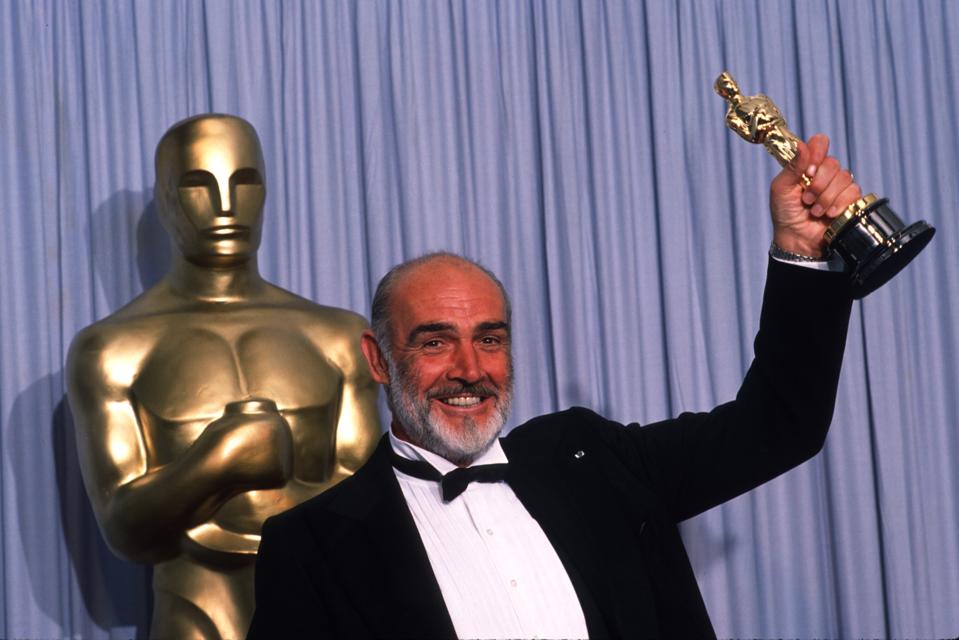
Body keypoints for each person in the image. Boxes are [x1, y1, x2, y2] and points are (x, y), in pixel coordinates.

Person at [247, 133, 859, 638]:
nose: (469, 369)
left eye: (490, 339)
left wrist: (801, 254)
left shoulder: (593, 457)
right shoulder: (310, 546)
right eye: (434, 342)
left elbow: (780, 426)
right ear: (377, 360)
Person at [66, 114, 381, 639]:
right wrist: (219, 463)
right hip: (196, 612)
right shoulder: (112, 350)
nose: (226, 205)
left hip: (328, 610)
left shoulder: (337, 336)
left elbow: (376, 501)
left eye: (244, 181)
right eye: (197, 185)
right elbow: (125, 531)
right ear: (166, 199)